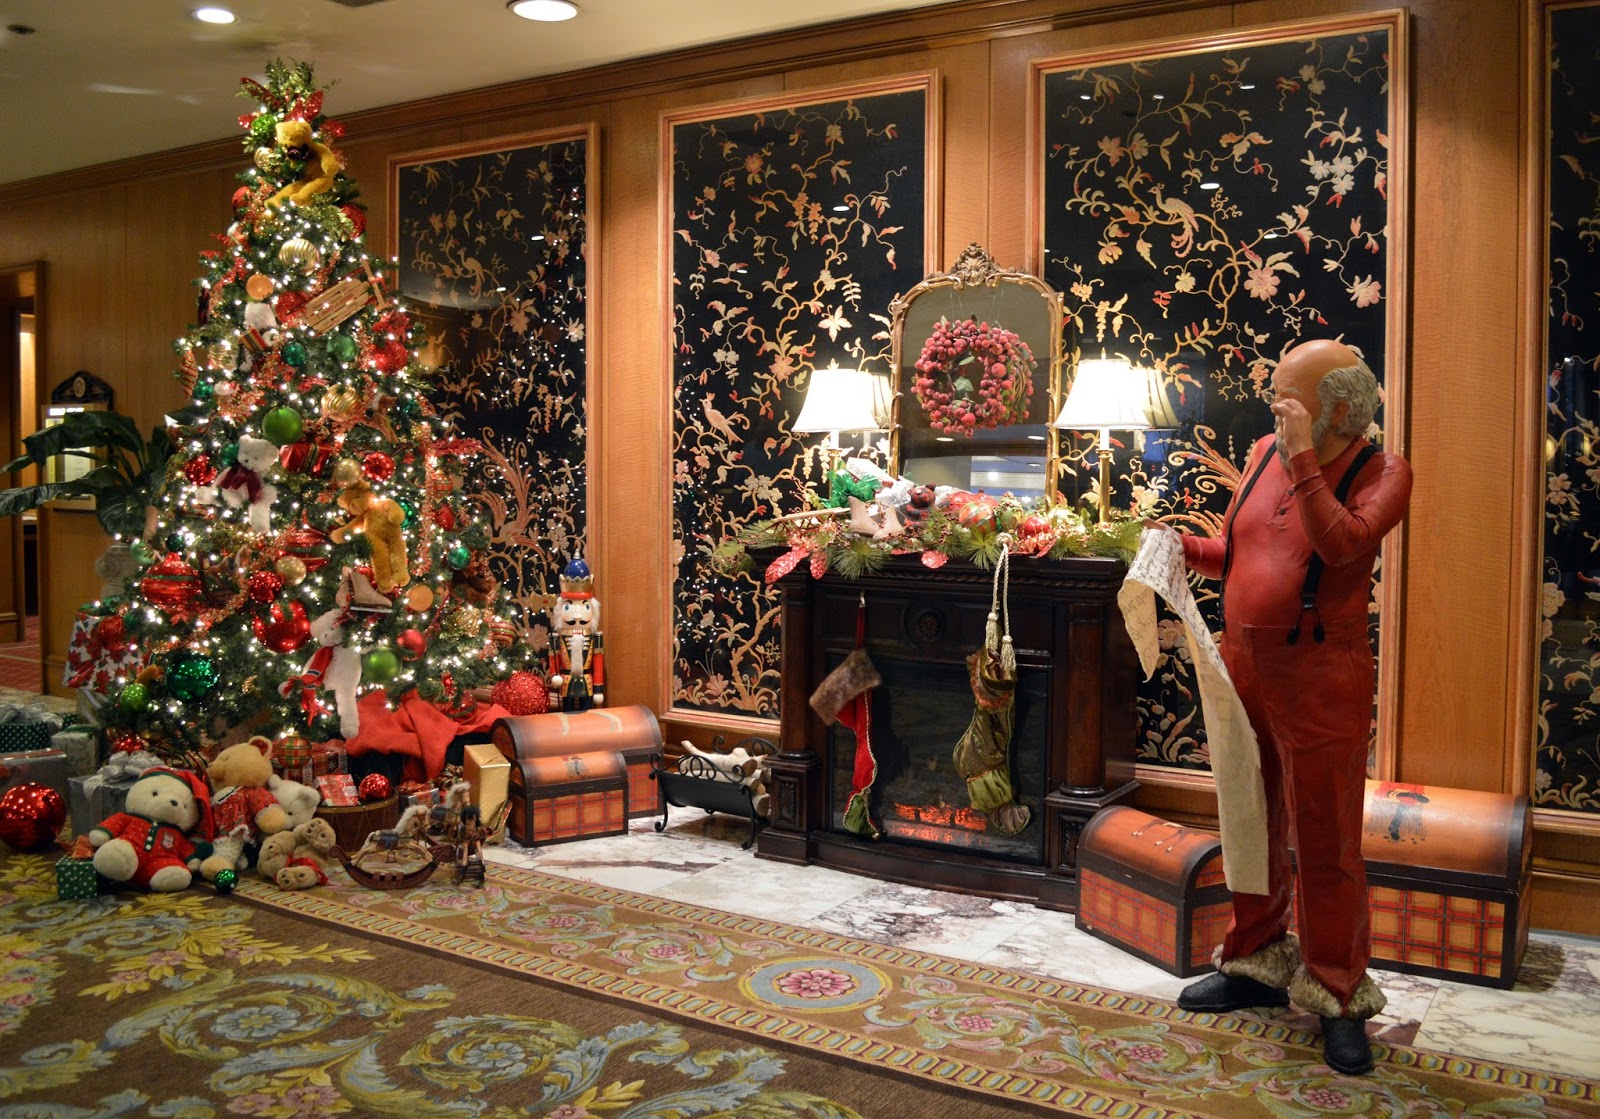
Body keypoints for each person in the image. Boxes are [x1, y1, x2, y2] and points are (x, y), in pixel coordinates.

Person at [1160, 339, 1412, 1076]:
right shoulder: (1266, 449)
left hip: (1321, 674)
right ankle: (1255, 961)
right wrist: (1179, 546)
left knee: (1326, 837)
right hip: (1245, 663)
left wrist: (1304, 457)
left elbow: (1340, 545)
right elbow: (1243, 554)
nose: (1275, 404)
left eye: (1289, 395)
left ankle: (1337, 992)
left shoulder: (1383, 470)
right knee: (1250, 817)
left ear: (1337, 408)